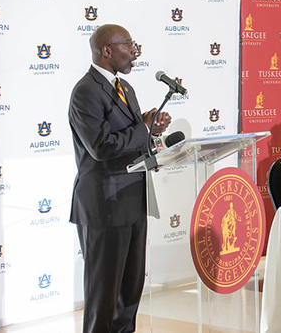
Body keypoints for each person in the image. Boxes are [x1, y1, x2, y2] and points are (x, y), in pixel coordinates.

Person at [68, 24, 171, 333]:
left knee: (130, 291)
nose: (134, 51)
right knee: (104, 294)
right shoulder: (85, 91)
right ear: (107, 51)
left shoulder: (125, 88)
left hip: (133, 200)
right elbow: (100, 147)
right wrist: (143, 130)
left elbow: (131, 138)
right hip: (105, 205)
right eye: (128, 44)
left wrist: (150, 129)